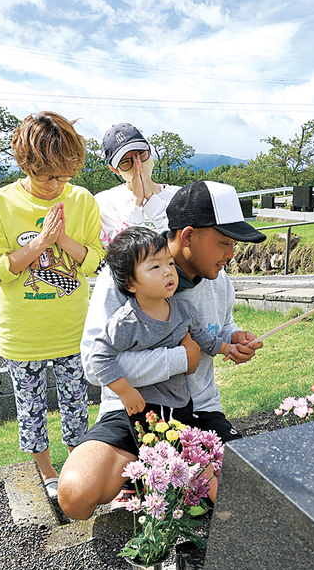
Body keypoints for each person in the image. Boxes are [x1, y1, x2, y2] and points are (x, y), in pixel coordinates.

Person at [58, 180, 266, 520]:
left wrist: (235, 338)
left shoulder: (218, 278)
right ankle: (151, 476)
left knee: (244, 495)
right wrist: (179, 360)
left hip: (197, 411)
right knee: (76, 496)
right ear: (187, 237)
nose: (231, 254)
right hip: (130, 411)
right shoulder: (126, 275)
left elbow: (221, 324)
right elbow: (94, 366)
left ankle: (172, 476)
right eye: (224, 242)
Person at [0, 111, 105, 498]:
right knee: (30, 409)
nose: (57, 184)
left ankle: (77, 469)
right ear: (26, 163)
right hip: (23, 335)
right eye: (48, 175)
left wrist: (62, 240)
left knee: (76, 406)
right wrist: (38, 244)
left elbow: (96, 259)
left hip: (72, 330)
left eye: (64, 176)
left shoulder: (81, 200)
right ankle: (48, 473)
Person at [90, 225, 237, 435]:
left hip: (181, 404)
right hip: (145, 409)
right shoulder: (127, 321)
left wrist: (226, 347)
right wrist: (125, 391)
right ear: (130, 283)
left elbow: (201, 337)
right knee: (159, 462)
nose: (168, 271)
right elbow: (99, 357)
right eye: (155, 267)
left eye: (170, 263)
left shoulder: (183, 309)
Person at [95, 123, 180, 248]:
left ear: (150, 151)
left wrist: (151, 199)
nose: (137, 164)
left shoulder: (179, 195)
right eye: (125, 162)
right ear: (115, 170)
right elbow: (116, 252)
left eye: (141, 154)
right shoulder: (104, 203)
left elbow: (184, 244)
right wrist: (136, 203)